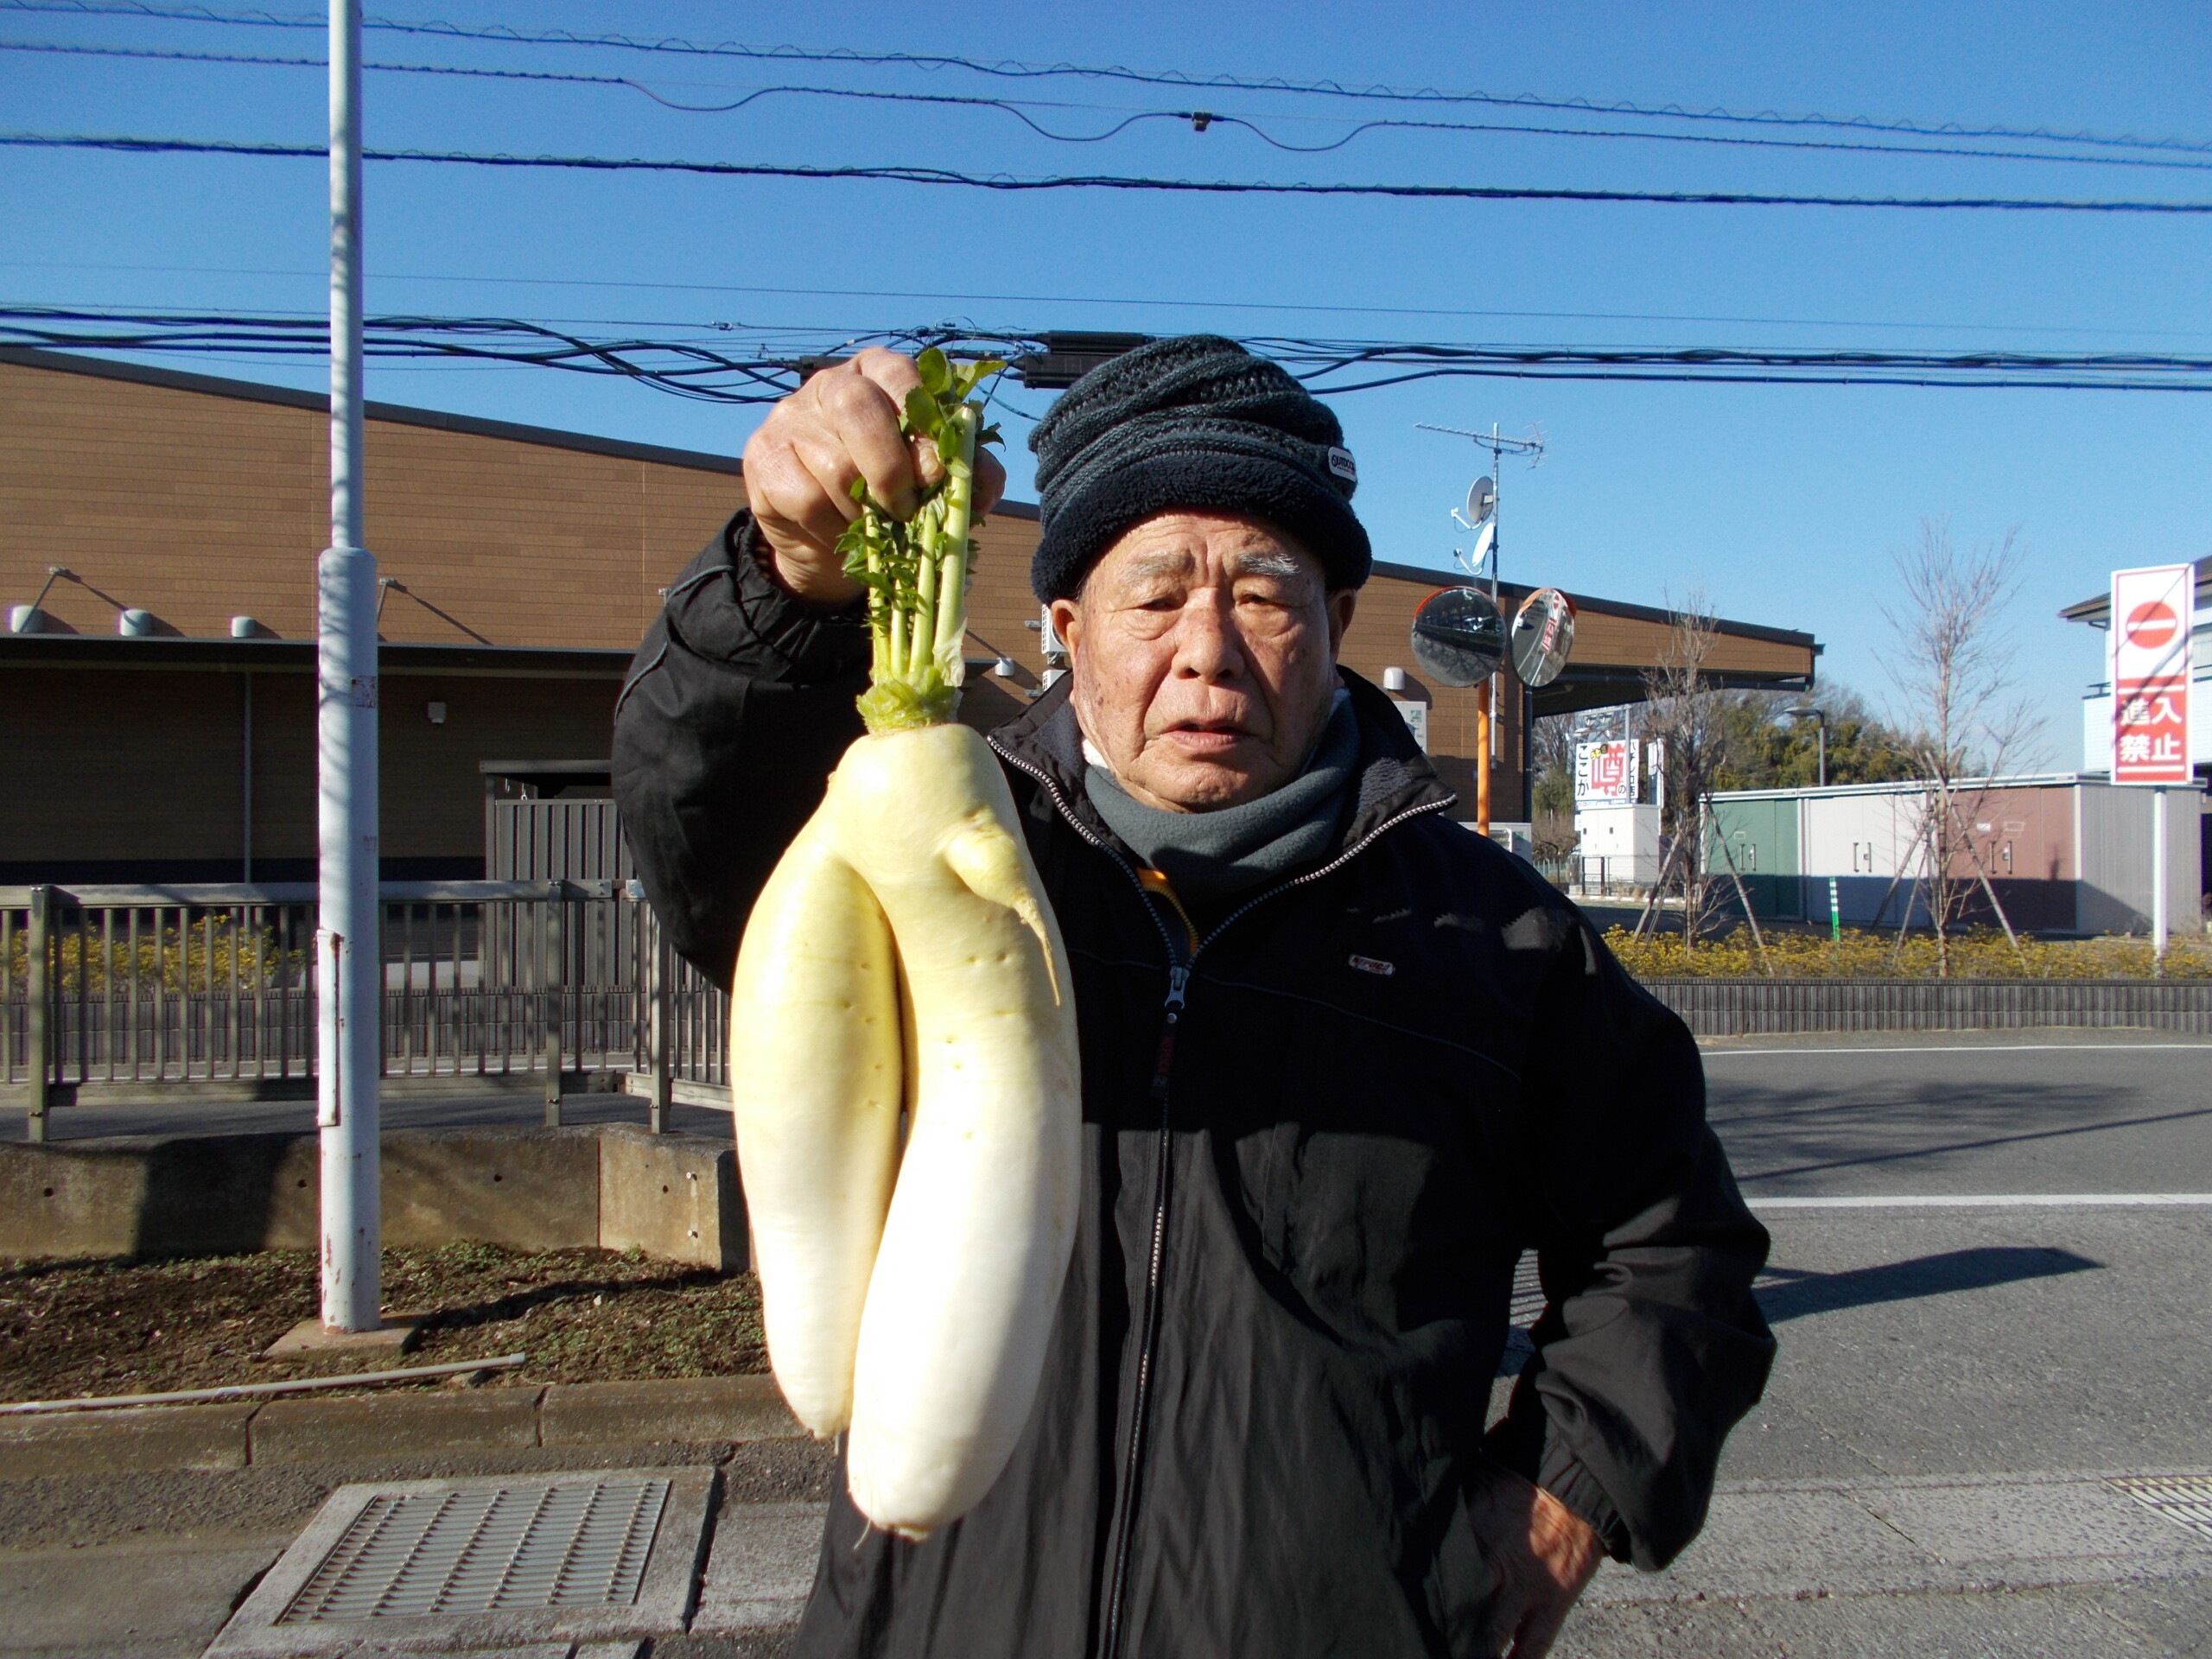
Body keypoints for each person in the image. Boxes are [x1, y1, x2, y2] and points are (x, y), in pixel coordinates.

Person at [613, 336, 1775, 1659]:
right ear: (1066, 631)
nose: (1209, 653)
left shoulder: (1493, 937)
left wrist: (1565, 1493)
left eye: (1268, 596)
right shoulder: (935, 870)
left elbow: (1675, 1247)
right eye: (1153, 595)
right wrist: (787, 590)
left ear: (1340, 624)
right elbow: (714, 844)